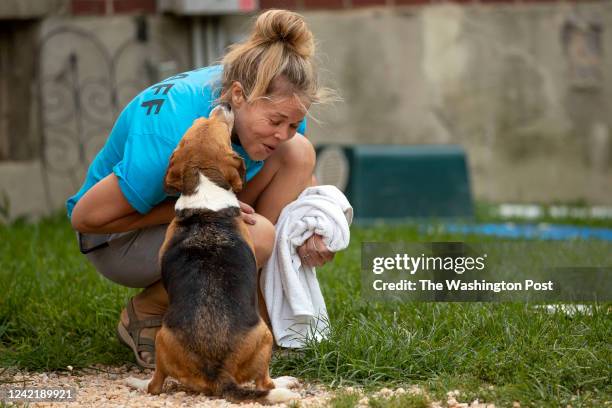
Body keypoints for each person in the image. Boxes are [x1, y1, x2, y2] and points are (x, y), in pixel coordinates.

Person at [67, 9, 337, 368]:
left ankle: (245, 306)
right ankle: (148, 310)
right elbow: (85, 218)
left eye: (294, 122)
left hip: (193, 209)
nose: (283, 132)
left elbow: (299, 174)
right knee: (255, 237)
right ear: (238, 96)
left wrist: (313, 226)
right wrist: (205, 207)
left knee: (299, 154)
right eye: (276, 122)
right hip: (118, 240)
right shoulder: (171, 137)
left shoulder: (271, 108)